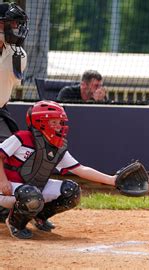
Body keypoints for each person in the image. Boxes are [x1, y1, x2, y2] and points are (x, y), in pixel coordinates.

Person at [0, 101, 120, 239]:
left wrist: (112, 180)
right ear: (40, 122)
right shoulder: (22, 138)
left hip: (29, 189)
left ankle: (39, 217)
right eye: (54, 122)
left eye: (60, 122)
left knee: (71, 191)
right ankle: (15, 223)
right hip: (5, 187)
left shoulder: (56, 146)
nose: (59, 127)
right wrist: (3, 181)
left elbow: (81, 169)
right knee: (30, 194)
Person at [0, 2, 28, 223]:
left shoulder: (18, 55)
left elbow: (10, 81)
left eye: (17, 23)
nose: (16, 27)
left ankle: (4, 206)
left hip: (1, 110)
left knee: (13, 151)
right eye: (11, 23)